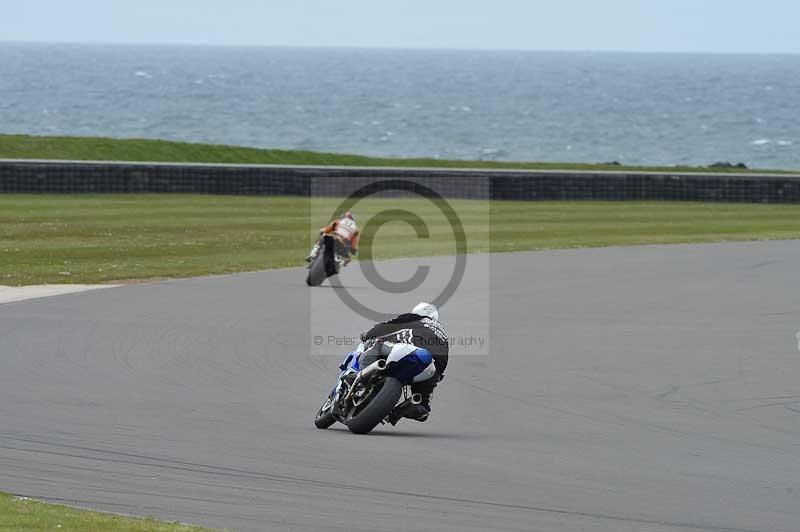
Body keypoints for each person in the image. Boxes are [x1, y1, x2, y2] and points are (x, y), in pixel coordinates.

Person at [359, 302, 448, 422]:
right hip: (431, 369)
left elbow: (383, 327)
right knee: (423, 408)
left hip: (410, 352)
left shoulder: (415, 318)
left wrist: (368, 335)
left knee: (377, 344)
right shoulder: (443, 336)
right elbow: (443, 363)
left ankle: (361, 382)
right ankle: (398, 411)